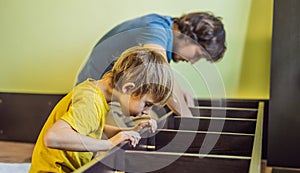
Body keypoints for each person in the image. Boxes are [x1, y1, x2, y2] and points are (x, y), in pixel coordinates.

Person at [22, 46, 173, 173]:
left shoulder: (96, 94)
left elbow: (90, 128)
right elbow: (54, 137)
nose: (147, 112)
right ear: (128, 88)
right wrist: (109, 144)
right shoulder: (90, 99)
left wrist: (126, 132)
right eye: (147, 104)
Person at [76, 12, 226, 116]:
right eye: (198, 54)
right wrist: (187, 116)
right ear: (189, 37)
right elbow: (159, 72)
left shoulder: (164, 31)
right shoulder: (156, 29)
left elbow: (163, 78)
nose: (193, 61)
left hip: (112, 96)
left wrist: (181, 94)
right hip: (89, 98)